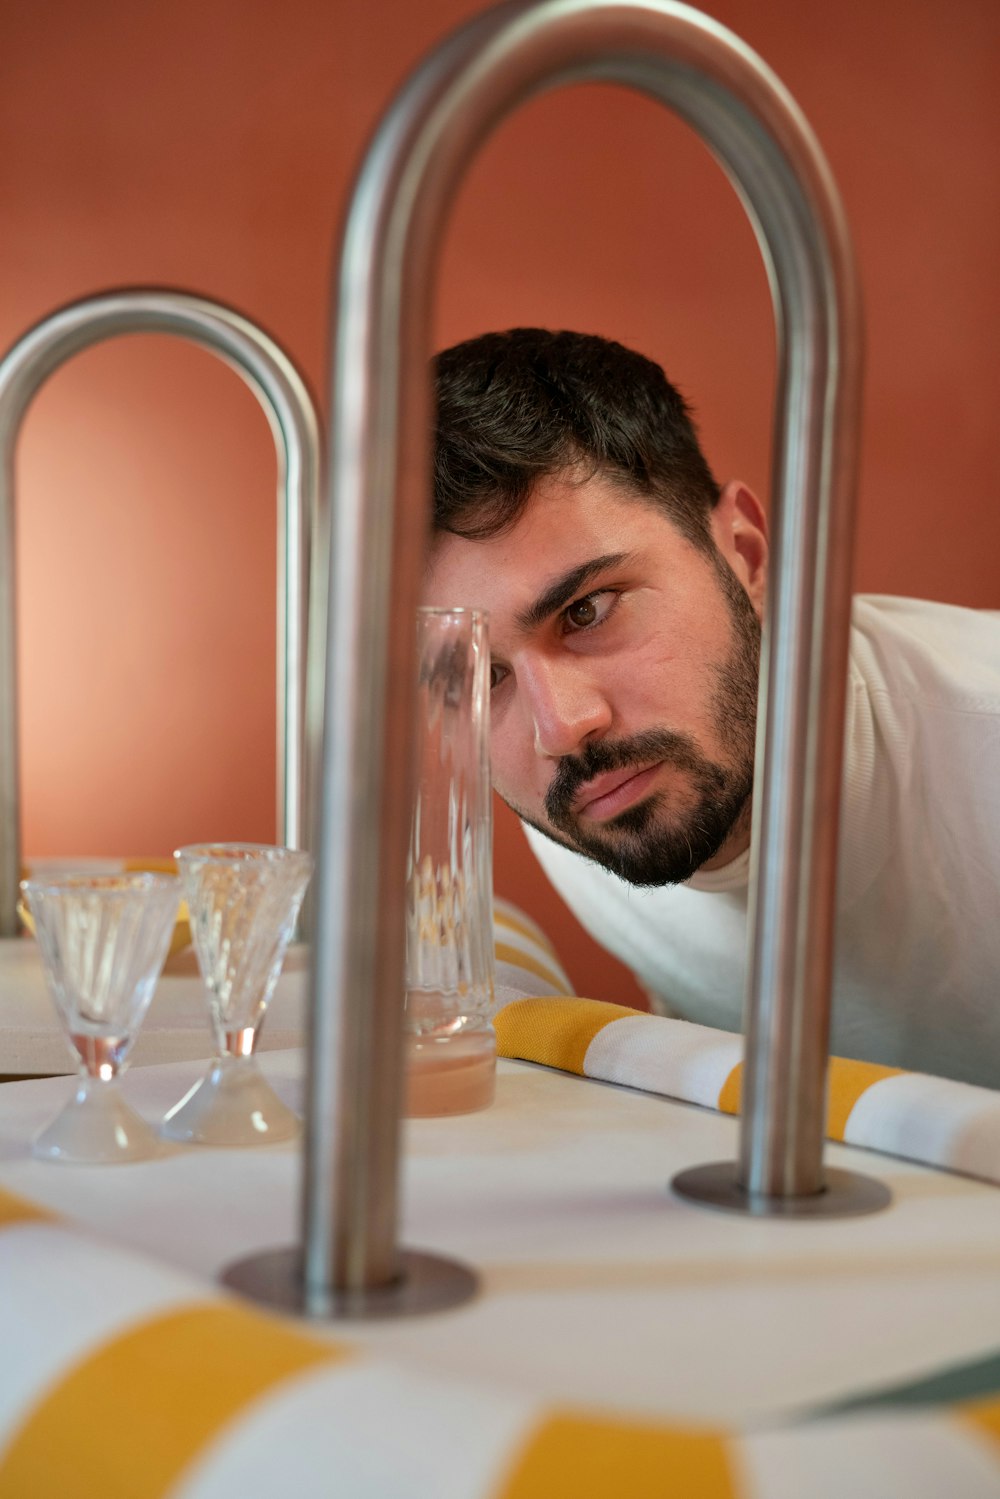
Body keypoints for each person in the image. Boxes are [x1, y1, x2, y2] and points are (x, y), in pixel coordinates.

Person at [425, 327, 1000, 1088]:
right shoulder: (601, 798)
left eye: (589, 611)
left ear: (746, 552)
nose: (561, 727)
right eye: (478, 675)